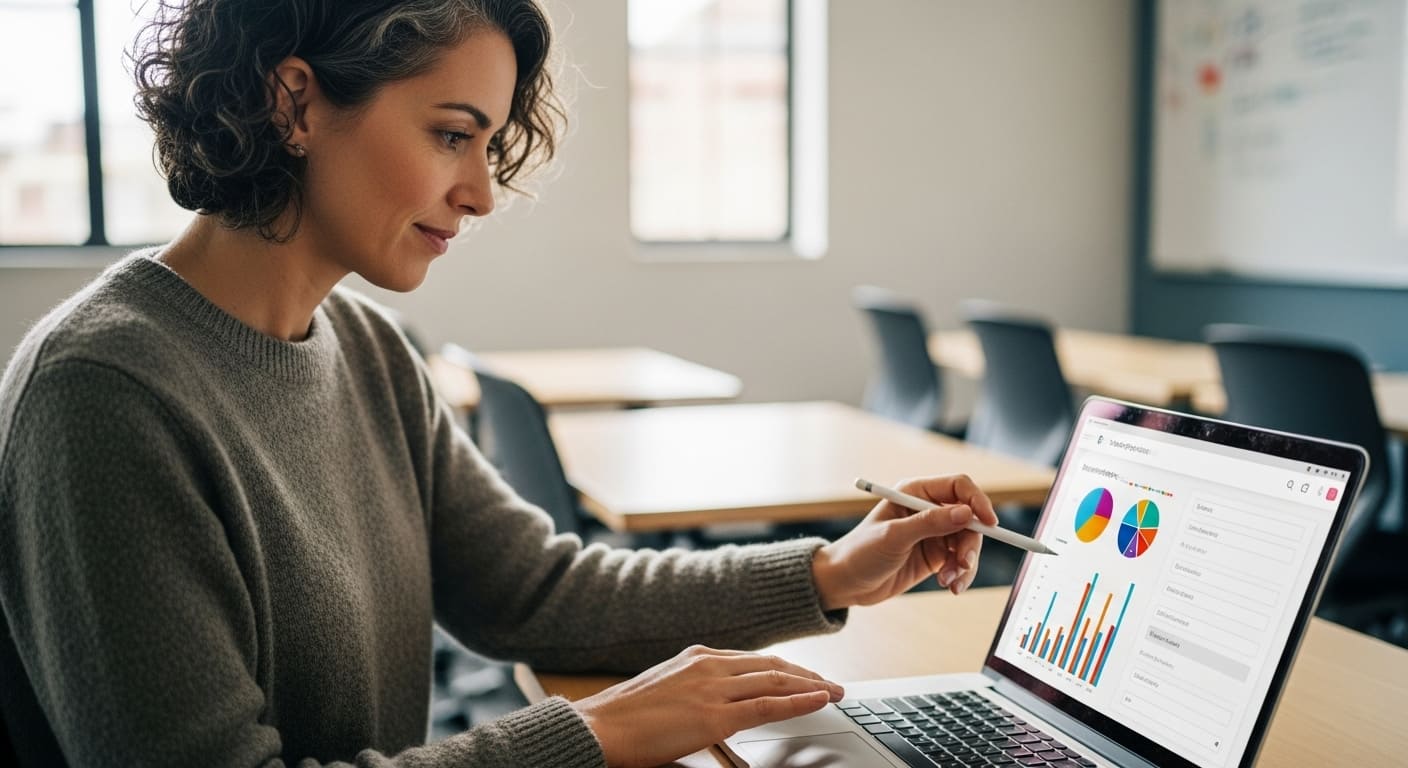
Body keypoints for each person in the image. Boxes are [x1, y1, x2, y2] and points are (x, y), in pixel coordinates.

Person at [0, 1, 999, 766]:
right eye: (450, 134)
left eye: (488, 145)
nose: (479, 192)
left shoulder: (369, 347)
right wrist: (590, 734)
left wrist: (831, 572)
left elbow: (535, 590)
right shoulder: (103, 391)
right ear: (295, 101)